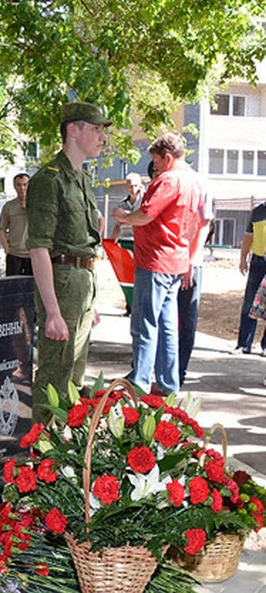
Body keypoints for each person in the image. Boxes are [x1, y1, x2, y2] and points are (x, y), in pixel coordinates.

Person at [27, 102, 108, 421]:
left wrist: (91, 301)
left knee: (74, 376)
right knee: (54, 375)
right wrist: (52, 311)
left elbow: (86, 246)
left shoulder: (83, 180)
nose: (103, 137)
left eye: (103, 130)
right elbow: (39, 249)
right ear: (72, 130)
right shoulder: (50, 179)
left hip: (81, 285)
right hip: (61, 283)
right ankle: (39, 456)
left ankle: (62, 457)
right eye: (96, 129)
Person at [112, 132, 203, 396]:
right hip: (175, 260)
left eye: (156, 162)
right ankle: (167, 382)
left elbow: (146, 215)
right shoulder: (192, 181)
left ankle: (139, 381)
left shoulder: (168, 180)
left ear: (167, 157)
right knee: (166, 327)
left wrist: (124, 216)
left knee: (144, 324)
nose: (155, 168)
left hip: (155, 259)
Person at [178, 181, 213, 383]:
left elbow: (204, 225)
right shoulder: (161, 188)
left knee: (187, 320)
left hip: (191, 264)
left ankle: (179, 370)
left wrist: (191, 261)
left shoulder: (198, 187)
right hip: (169, 262)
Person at [233, 200, 266, 355]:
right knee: (249, 302)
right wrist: (243, 259)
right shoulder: (258, 211)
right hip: (258, 261)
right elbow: (248, 237)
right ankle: (243, 344)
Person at [0, 173, 32, 276]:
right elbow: (2, 228)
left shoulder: (39, 205)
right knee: (12, 288)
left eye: (25, 184)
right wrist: (7, 249)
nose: (22, 188)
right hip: (14, 254)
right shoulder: (9, 206)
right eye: (19, 185)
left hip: (33, 254)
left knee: (32, 289)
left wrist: (29, 208)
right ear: (14, 186)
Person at [110, 173, 145, 239]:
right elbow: (118, 224)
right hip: (124, 239)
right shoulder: (122, 204)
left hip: (138, 239)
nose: (133, 189)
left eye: (136, 186)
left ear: (140, 186)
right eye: (130, 186)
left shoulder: (143, 203)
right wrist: (113, 240)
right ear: (127, 188)